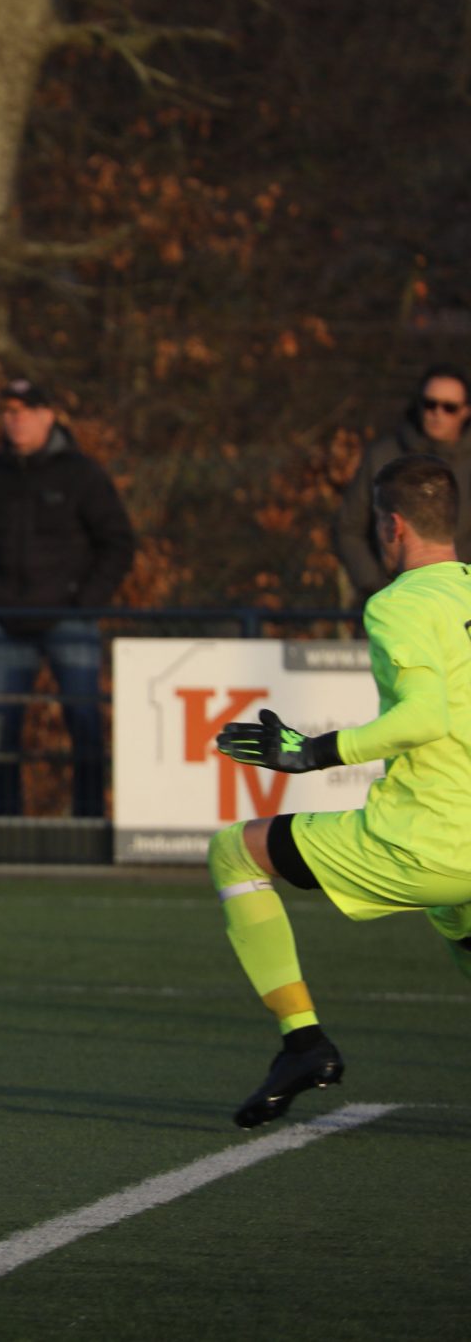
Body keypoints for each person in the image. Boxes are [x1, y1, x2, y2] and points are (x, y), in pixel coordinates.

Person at [212, 454, 471, 1128]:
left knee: (235, 851)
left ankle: (303, 1044)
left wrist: (313, 753)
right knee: (458, 924)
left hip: (429, 840)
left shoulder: (399, 602)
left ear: (392, 526)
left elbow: (424, 718)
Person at [0, 378, 136, 819]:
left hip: (69, 619)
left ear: (48, 416)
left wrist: (85, 602)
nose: (15, 420)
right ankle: (5, 822)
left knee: (84, 722)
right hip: (7, 621)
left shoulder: (82, 475)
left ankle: (88, 819)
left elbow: (117, 542)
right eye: (8, 411)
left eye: (25, 411)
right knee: (2, 727)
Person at [334, 363, 471, 605]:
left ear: (465, 411)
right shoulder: (383, 456)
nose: (437, 413)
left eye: (449, 407)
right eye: (429, 404)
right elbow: (349, 528)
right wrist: (377, 586)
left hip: (460, 601)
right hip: (396, 598)